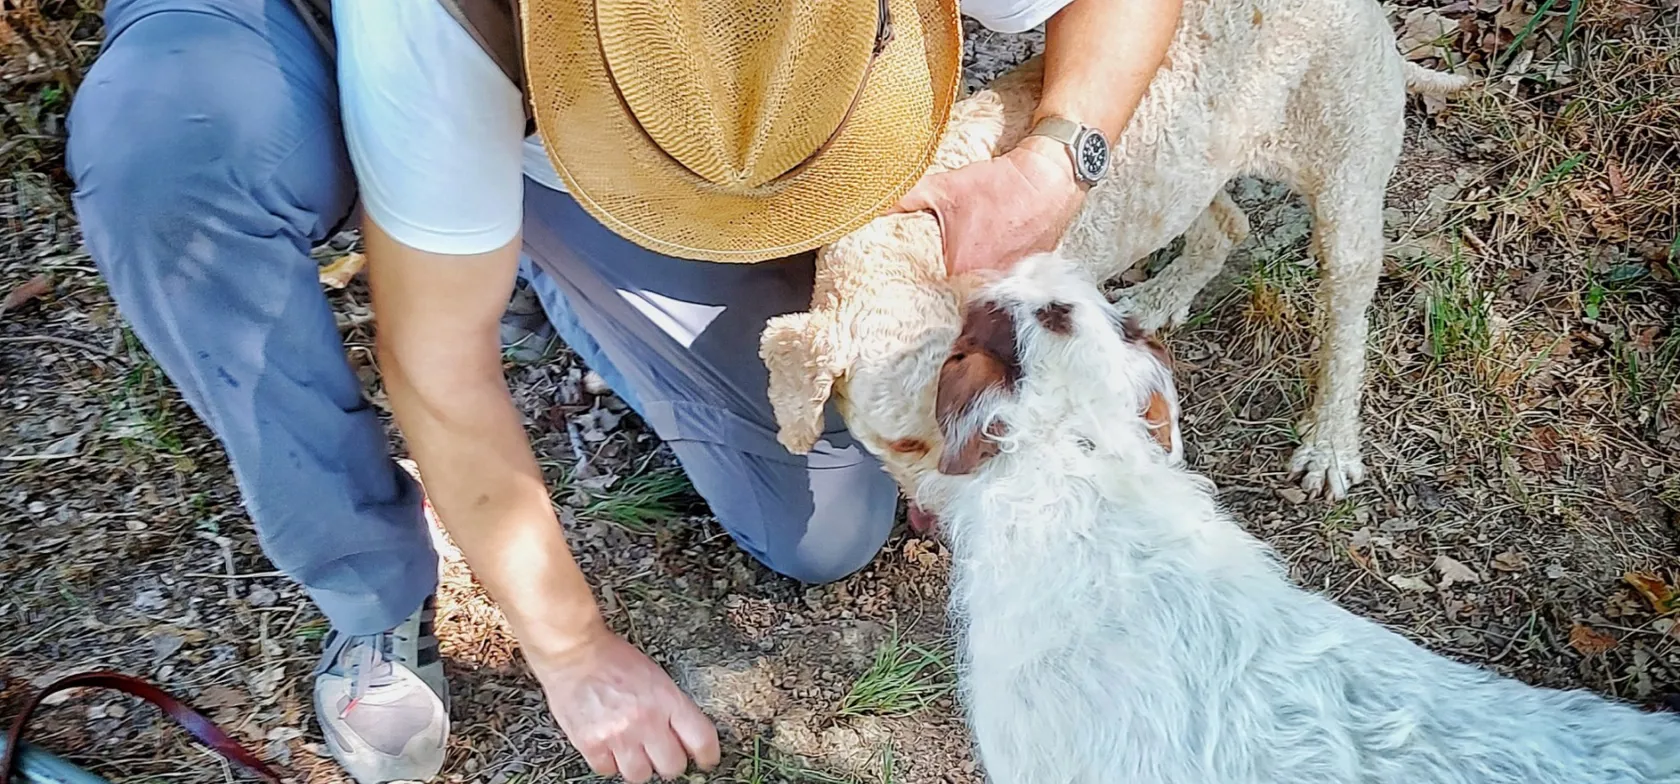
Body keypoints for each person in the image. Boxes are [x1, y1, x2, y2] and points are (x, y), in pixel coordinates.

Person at [63, 0, 1181, 781]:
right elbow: (435, 365)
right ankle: (370, 590)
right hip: (321, 31)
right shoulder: (433, 40)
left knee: (828, 525)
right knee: (173, 170)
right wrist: (572, 648)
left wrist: (1056, 160)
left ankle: (543, 239)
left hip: (576, 101)